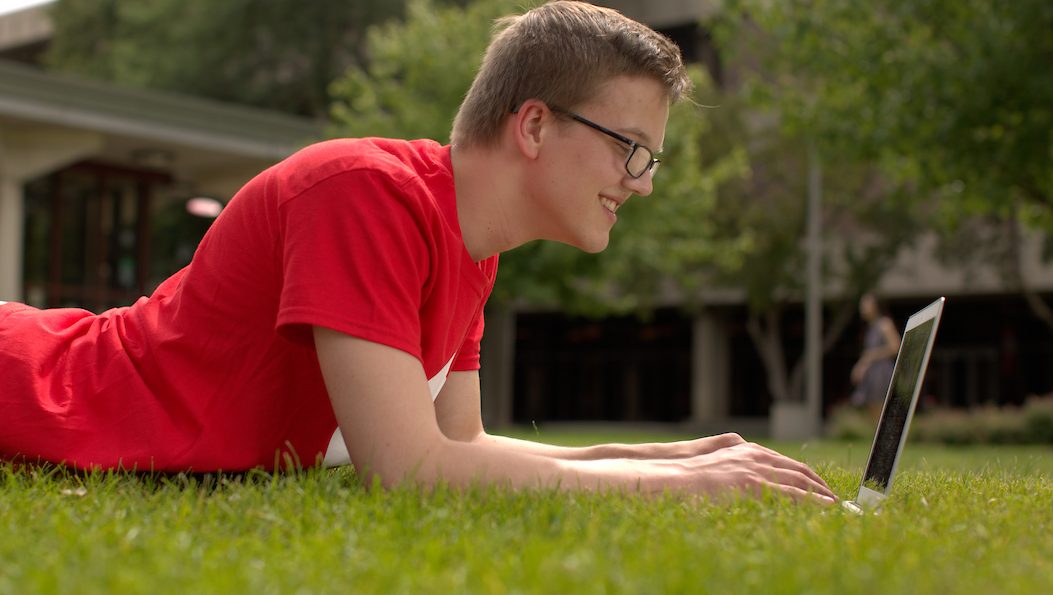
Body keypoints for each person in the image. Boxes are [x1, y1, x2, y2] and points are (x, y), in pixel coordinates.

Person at [0, 1, 834, 504]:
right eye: (631, 148)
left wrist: (663, 454)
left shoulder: (471, 247)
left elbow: (459, 443)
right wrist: (684, 490)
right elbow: (405, 468)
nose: (641, 182)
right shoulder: (362, 191)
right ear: (535, 124)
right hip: (28, 383)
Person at [850, 293, 901, 418]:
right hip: (872, 372)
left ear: (875, 306)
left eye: (866, 304)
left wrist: (872, 355)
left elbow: (895, 346)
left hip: (882, 372)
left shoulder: (884, 324)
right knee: (871, 407)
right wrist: (860, 366)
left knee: (880, 408)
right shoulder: (871, 327)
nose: (862, 307)